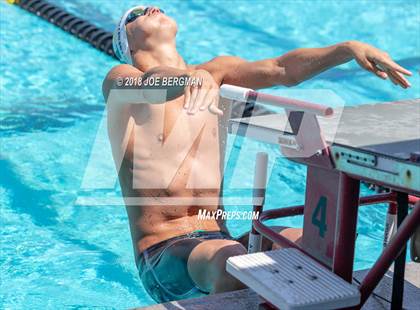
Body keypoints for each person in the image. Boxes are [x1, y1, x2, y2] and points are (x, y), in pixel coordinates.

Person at [102, 6, 412, 304]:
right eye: (136, 14)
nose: (151, 8)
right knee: (231, 261)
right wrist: (187, 80)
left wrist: (346, 49)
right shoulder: (120, 78)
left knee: (319, 247)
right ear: (127, 42)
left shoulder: (215, 73)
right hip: (164, 255)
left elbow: (281, 69)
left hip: (219, 240)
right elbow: (146, 84)